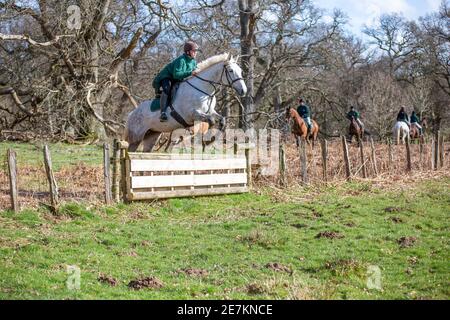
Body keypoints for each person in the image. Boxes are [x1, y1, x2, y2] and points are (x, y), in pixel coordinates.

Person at [152, 40, 199, 122]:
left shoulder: (194, 62)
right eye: (194, 51)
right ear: (188, 52)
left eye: (196, 51)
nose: (196, 53)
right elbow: (176, 75)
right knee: (167, 88)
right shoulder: (181, 60)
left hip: (176, 79)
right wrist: (190, 73)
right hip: (166, 77)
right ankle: (162, 112)